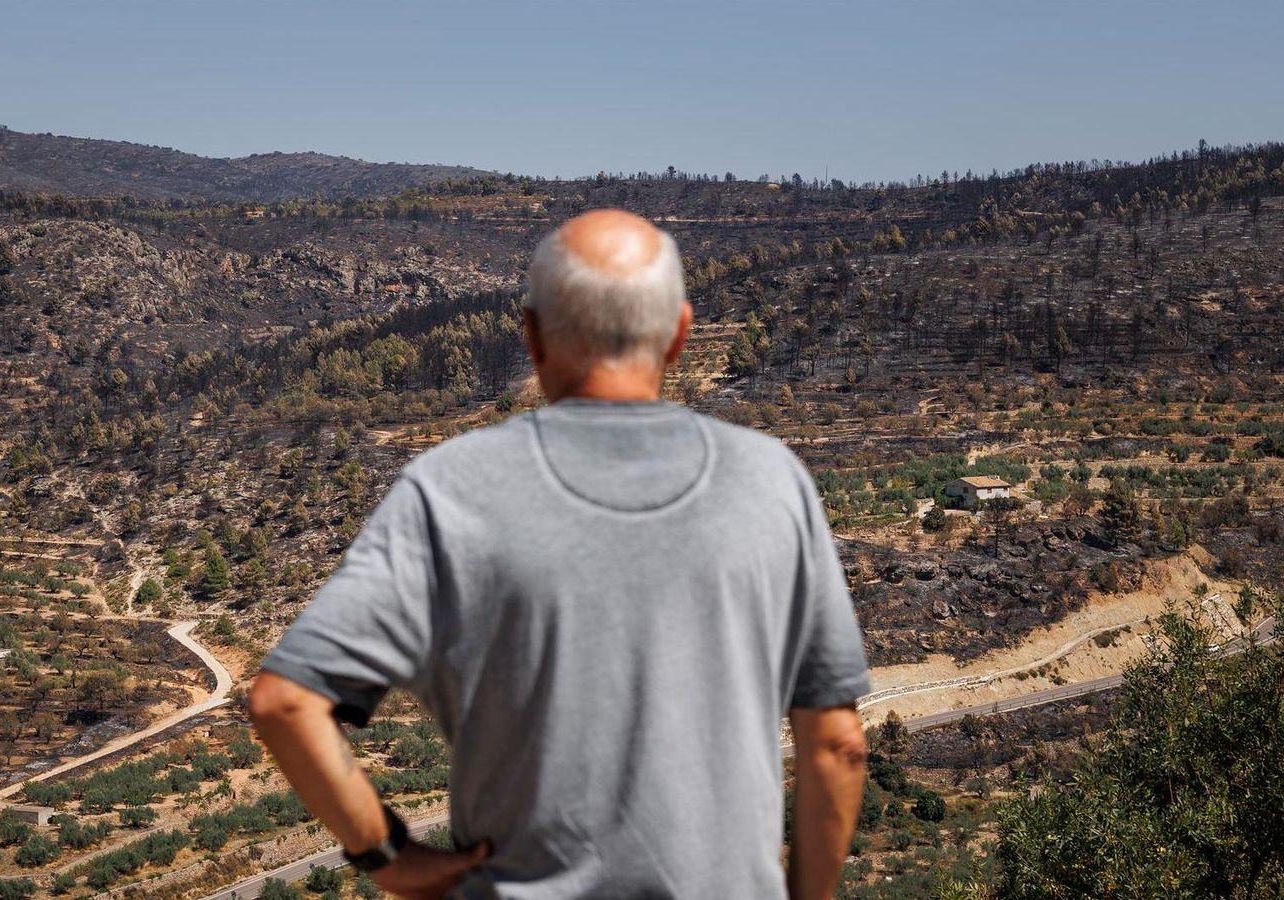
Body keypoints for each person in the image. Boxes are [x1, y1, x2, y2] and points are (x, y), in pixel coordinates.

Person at [250, 209, 871, 899]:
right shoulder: (770, 480)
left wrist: (389, 856)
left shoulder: (452, 489)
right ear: (679, 335)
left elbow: (285, 703)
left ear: (533, 335)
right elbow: (837, 745)